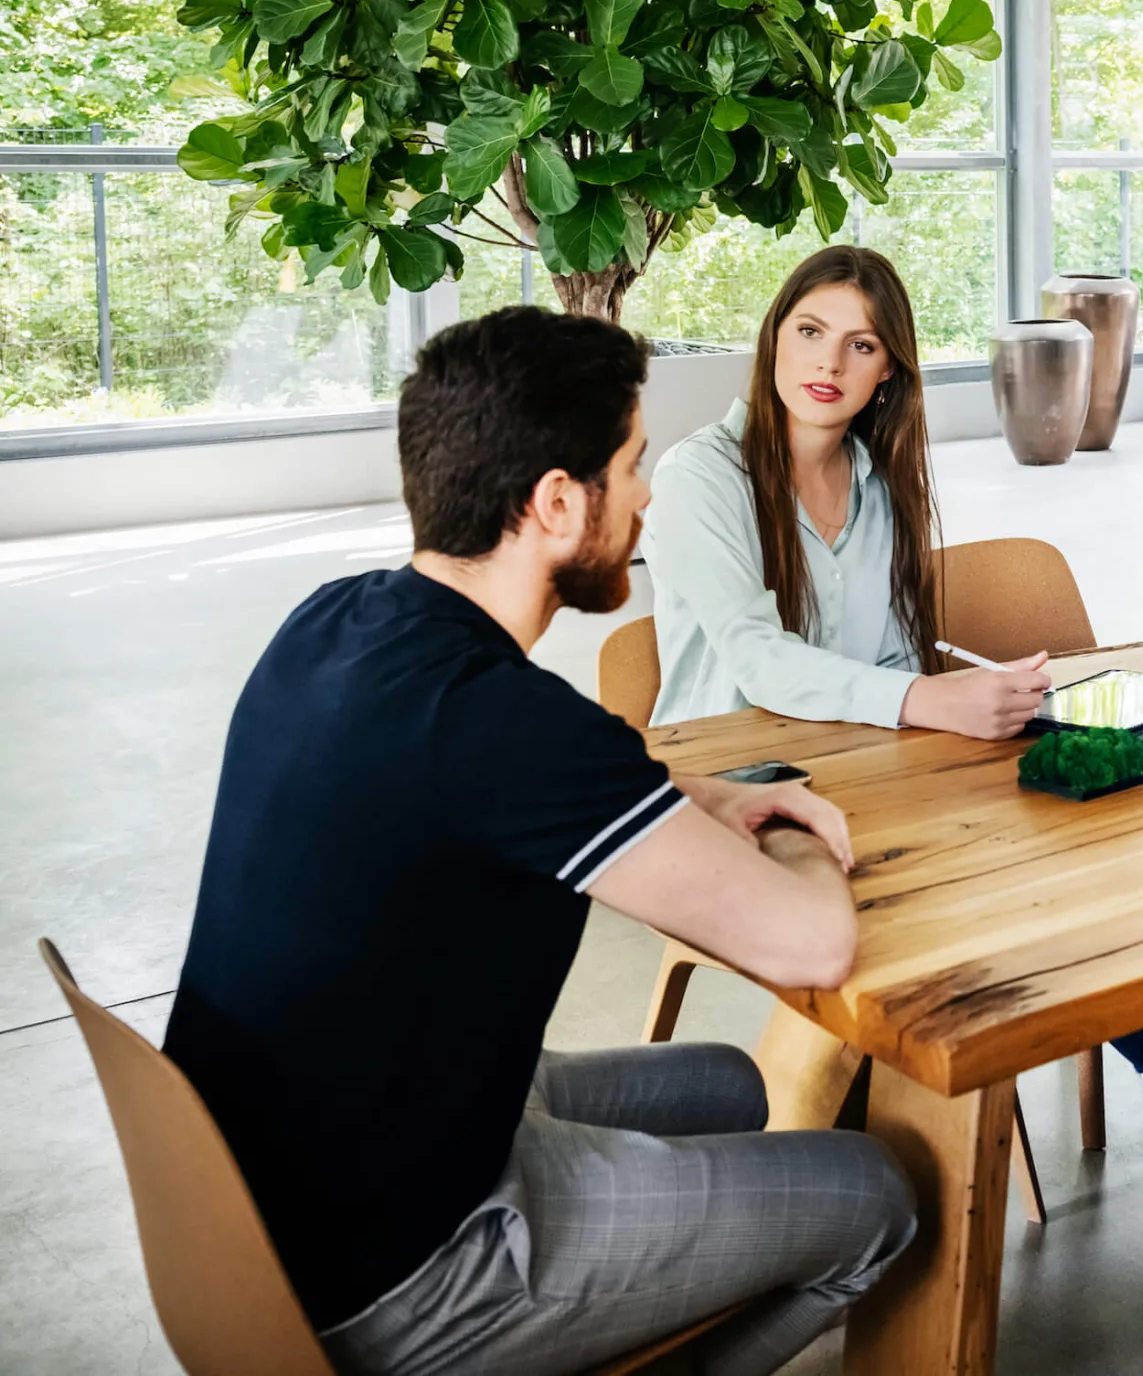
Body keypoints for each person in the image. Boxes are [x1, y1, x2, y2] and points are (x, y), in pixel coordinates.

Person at [163, 308, 916, 1376]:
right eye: (632, 465)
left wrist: (700, 794)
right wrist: (786, 808)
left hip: (256, 1205)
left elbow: (526, 785)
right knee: (876, 1194)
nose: (648, 495)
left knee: (733, 1086)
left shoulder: (339, 619)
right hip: (404, 1270)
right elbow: (811, 945)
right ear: (559, 502)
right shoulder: (513, 729)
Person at [645, 245, 1143, 1188]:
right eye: (809, 333)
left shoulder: (875, 481)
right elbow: (758, 665)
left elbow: (885, 661)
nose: (828, 365)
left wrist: (978, 701)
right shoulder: (699, 476)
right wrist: (929, 700)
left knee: (1057, 852)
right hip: (729, 798)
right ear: (773, 339)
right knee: (958, 905)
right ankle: (823, 1177)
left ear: (890, 372)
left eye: (861, 346)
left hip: (858, 769)